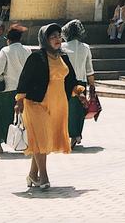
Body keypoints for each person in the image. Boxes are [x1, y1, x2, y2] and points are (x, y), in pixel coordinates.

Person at [15, 23, 82, 191]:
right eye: (53, 37)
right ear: (45, 40)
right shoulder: (36, 57)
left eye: (59, 36)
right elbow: (24, 80)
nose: (57, 40)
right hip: (36, 103)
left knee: (41, 141)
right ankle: (43, 177)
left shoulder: (64, 57)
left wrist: (79, 92)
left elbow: (71, 80)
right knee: (42, 139)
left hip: (58, 104)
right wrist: (19, 100)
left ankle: (32, 175)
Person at [0, 25, 30, 155]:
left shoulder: (5, 51)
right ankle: (24, 142)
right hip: (23, 90)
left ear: (8, 39)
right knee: (23, 118)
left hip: (6, 89)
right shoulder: (27, 50)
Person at [62, 20, 96, 149]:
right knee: (79, 109)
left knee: (67, 109)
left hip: (66, 82)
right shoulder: (85, 47)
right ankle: (77, 135)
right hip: (81, 82)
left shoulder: (62, 47)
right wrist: (92, 86)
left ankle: (68, 135)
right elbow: (89, 69)